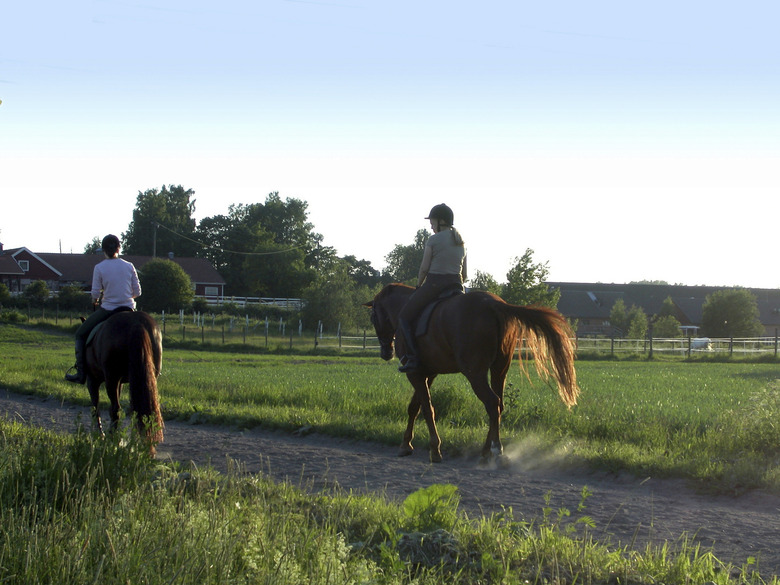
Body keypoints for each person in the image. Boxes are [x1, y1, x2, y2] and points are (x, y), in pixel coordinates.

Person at [397, 203, 467, 373]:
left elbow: (424, 268)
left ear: (441, 221)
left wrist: (419, 285)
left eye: (432, 221)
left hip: (435, 285)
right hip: (457, 286)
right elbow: (464, 275)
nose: (431, 225)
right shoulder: (461, 242)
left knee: (404, 317)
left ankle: (413, 358)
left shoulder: (433, 240)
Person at [65, 234, 142, 383]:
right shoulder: (129, 266)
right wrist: (124, 297)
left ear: (104, 250)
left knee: (80, 334)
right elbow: (138, 292)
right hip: (129, 309)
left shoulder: (99, 267)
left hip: (108, 310)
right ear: (119, 248)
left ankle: (81, 373)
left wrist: (95, 300)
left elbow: (95, 293)